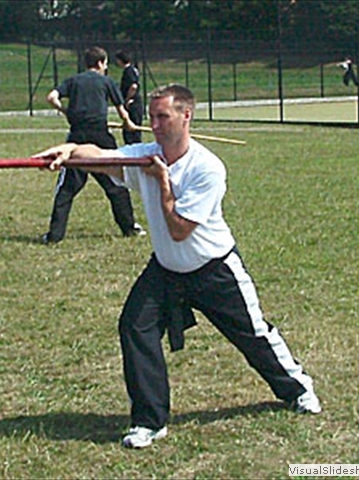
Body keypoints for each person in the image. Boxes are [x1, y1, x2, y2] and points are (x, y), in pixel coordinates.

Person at [34, 84, 321, 449]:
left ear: (186, 116)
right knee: (135, 327)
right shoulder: (145, 155)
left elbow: (180, 229)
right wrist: (72, 150)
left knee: (253, 335)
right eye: (151, 116)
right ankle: (149, 421)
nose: (153, 124)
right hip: (167, 269)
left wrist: (163, 183)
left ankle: (297, 389)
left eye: (162, 116)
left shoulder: (207, 168)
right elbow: (103, 157)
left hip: (213, 269)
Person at [43, 46, 145, 244]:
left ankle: (54, 236)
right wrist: (129, 124)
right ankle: (129, 228)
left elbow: (51, 97)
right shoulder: (107, 82)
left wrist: (65, 111)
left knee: (67, 188)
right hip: (101, 138)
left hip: (76, 138)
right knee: (116, 184)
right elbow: (121, 110)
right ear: (100, 63)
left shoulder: (73, 81)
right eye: (106, 63)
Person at [115, 50, 144, 145]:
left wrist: (127, 99)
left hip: (133, 103)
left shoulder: (129, 71)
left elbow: (133, 86)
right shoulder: (133, 69)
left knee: (131, 130)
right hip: (135, 102)